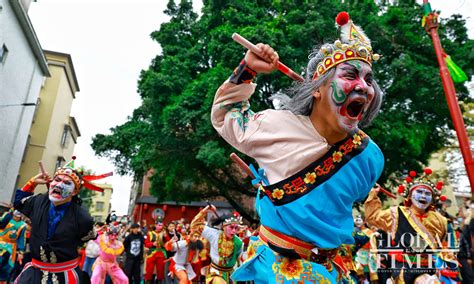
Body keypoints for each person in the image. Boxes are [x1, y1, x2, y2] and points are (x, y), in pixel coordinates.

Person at [211, 11, 384, 283]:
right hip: (272, 272)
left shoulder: (369, 157)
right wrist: (248, 67)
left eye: (369, 79)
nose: (363, 86)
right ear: (317, 89)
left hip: (331, 273)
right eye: (350, 75)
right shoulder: (275, 126)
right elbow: (225, 115)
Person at [13, 157, 112, 283]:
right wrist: (33, 182)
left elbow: (86, 237)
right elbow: (18, 203)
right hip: (34, 274)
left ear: (75, 191)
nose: (59, 185)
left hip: (65, 275)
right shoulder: (38, 202)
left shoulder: (82, 218)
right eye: (57, 180)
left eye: (66, 183)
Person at [364, 168, 458, 283]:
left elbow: (443, 244)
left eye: (427, 193)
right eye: (419, 192)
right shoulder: (396, 213)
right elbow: (373, 217)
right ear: (409, 195)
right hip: (403, 267)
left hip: (428, 267)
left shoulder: (440, 220)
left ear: (432, 199)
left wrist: (447, 254)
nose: (423, 196)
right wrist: (373, 195)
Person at [191, 205, 243, 283]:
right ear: (223, 226)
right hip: (215, 273)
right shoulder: (213, 234)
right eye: (231, 227)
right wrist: (205, 210)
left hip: (231, 275)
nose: (234, 231)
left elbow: (238, 260)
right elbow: (195, 226)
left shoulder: (239, 242)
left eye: (236, 228)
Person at [0, 209, 27, 283]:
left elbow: (22, 239)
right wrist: (10, 211)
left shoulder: (23, 225)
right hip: (1, 242)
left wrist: (21, 252)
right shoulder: (7, 218)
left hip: (11, 247)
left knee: (7, 268)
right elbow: (1, 222)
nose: (16, 217)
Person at [144, 218, 167, 283]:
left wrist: (166, 236)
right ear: (155, 225)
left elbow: (168, 243)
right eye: (159, 225)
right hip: (151, 253)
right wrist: (152, 244)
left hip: (161, 254)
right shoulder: (150, 233)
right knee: (149, 271)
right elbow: (146, 244)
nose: (160, 227)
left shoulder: (164, 233)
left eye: (161, 225)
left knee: (160, 272)